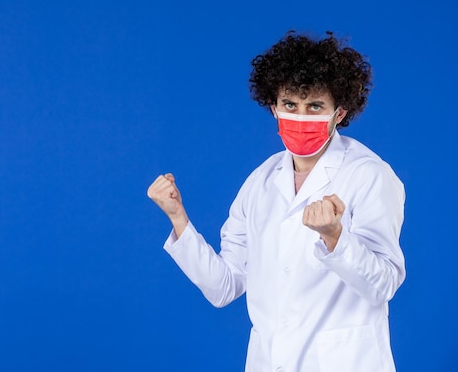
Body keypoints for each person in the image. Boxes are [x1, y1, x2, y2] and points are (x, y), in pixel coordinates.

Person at [147, 31, 406, 372]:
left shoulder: (368, 175)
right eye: (290, 105)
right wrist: (178, 218)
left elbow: (384, 284)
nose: (301, 117)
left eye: (315, 106)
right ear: (273, 107)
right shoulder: (260, 182)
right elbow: (224, 287)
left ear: (339, 113)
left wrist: (335, 237)